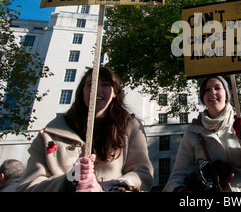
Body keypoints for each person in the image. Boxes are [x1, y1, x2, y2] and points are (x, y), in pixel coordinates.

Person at [17, 66, 153, 192]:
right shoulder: (50, 133)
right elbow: (28, 186)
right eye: (90, 84)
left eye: (105, 85)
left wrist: (104, 188)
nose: (97, 90)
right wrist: (69, 180)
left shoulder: (130, 127)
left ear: (114, 93)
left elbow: (142, 175)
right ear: (82, 90)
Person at [163, 75, 241, 192]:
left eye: (217, 88)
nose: (212, 92)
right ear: (202, 97)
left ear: (227, 95)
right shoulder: (191, 132)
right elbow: (177, 177)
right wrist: (179, 189)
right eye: (207, 89)